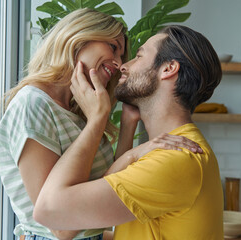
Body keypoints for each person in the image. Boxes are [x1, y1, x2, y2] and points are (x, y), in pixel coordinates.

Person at [0, 8, 201, 240]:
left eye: (122, 55)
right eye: (113, 47)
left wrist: (128, 124)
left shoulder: (79, 109)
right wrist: (105, 128)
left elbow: (107, 184)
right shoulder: (32, 104)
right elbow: (61, 225)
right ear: (78, 37)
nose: (119, 63)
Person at [33, 25, 224, 240]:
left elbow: (50, 211)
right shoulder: (173, 150)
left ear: (168, 68)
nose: (124, 66)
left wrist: (98, 120)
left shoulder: (175, 158)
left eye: (139, 56)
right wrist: (128, 131)